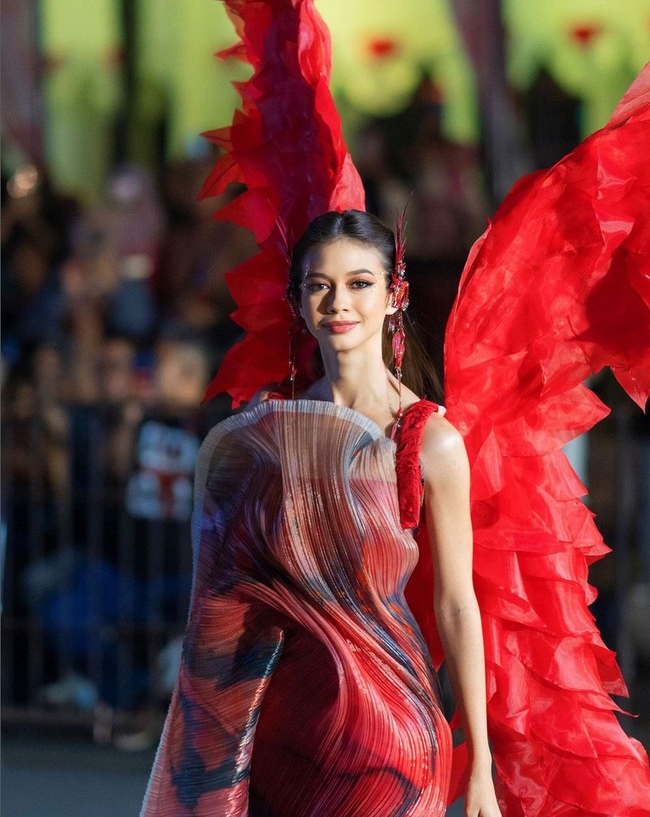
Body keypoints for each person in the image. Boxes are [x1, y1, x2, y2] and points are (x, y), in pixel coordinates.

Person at [141, 209, 500, 816]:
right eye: (319, 285)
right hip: (283, 726)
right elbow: (227, 599)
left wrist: (483, 768)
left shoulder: (427, 439)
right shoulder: (266, 433)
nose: (339, 302)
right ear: (297, 300)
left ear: (395, 296)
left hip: (388, 728)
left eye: (360, 283)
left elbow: (457, 602)